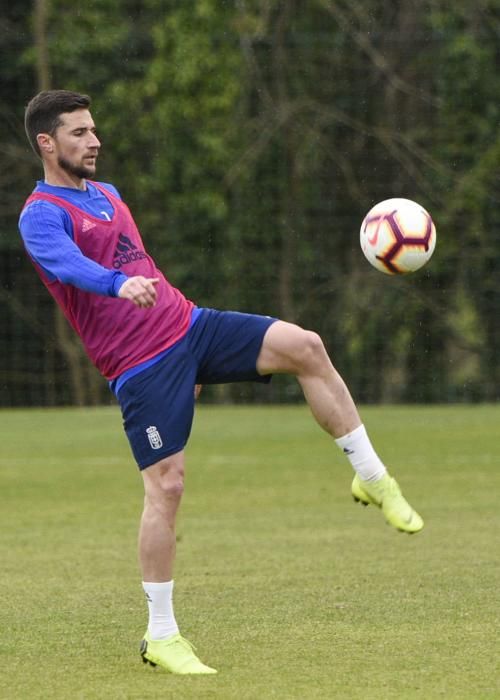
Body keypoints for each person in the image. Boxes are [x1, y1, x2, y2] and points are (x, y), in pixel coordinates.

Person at [19, 90, 424, 675]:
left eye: (94, 130)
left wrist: (171, 328)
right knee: (168, 487)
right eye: (79, 133)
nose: (95, 140)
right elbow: (66, 265)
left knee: (306, 346)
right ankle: (161, 635)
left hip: (190, 325)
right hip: (141, 365)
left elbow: (138, 263)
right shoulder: (41, 213)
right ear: (47, 143)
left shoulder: (107, 194)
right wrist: (114, 286)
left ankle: (373, 478)